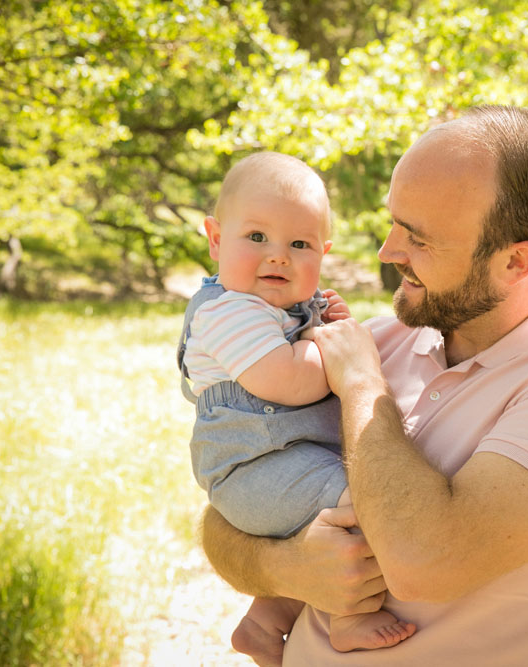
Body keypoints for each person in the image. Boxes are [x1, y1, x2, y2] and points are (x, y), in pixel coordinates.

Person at [201, 106, 528, 665]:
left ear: (516, 261)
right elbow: (227, 505)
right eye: (394, 222)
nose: (387, 251)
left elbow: (422, 562)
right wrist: (283, 567)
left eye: (419, 238)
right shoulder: (378, 339)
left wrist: (363, 386)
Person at [176, 151, 415, 665]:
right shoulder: (228, 313)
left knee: (323, 515)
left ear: (322, 254)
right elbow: (288, 382)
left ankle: (265, 623)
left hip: (287, 456)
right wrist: (336, 348)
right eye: (257, 237)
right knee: (366, 501)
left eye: (300, 244)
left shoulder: (284, 309)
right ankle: (347, 619)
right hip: (252, 467)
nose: (278, 256)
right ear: (216, 239)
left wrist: (324, 324)